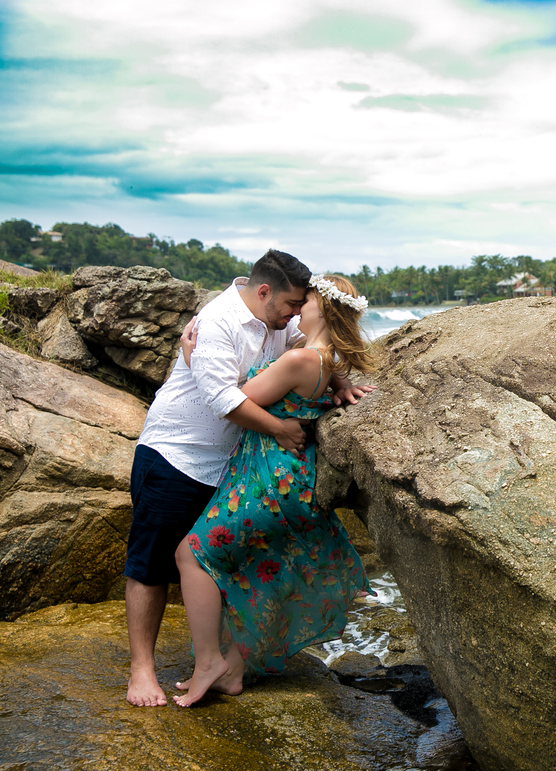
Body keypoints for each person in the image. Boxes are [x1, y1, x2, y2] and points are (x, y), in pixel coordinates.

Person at [125, 250, 372, 707]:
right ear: (265, 293)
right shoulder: (217, 322)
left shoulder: (284, 327)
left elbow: (320, 351)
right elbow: (223, 396)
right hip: (179, 455)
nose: (297, 312)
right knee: (152, 562)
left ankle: (224, 663)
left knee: (217, 560)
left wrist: (339, 384)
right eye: (292, 304)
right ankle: (142, 669)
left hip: (236, 467)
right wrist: (279, 424)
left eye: (304, 304)